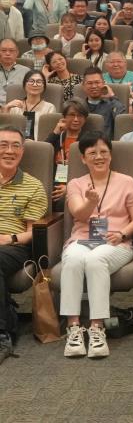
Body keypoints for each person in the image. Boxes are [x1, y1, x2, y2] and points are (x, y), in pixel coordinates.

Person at [60, 131, 133, 358]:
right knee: (73, 259)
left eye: (103, 152)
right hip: (82, 239)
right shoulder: (76, 184)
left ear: (111, 154)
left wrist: (123, 234)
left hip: (117, 242)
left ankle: (97, 328)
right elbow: (79, 213)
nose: (99, 157)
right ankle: (73, 327)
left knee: (96, 259)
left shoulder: (126, 182)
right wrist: (90, 202)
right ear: (83, 158)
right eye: (92, 153)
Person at [0, 125, 48, 364]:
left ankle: (3, 333)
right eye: (3, 145)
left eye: (15, 146)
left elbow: (32, 232)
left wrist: (9, 238)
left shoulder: (33, 185)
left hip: (14, 246)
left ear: (22, 151)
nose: (9, 151)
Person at [46, 100, 90, 211]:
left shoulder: (89, 140)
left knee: (62, 201)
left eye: (80, 116)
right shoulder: (57, 137)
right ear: (64, 117)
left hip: (78, 184)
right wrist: (55, 133)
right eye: (71, 115)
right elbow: (42, 155)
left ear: (85, 119)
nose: (76, 119)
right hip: (54, 183)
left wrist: (70, 187)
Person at [1, 69, 56, 140]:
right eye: (31, 81)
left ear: (43, 86)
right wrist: (6, 108)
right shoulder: (15, 106)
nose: (35, 84)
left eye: (39, 82)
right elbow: (5, 130)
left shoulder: (49, 108)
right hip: (15, 143)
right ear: (24, 85)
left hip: (38, 144)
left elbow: (48, 134)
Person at [81, 67, 126, 138]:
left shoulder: (112, 104)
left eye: (97, 82)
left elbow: (122, 121)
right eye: (89, 83)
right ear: (83, 86)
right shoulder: (80, 106)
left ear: (104, 84)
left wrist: (112, 96)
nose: (94, 86)